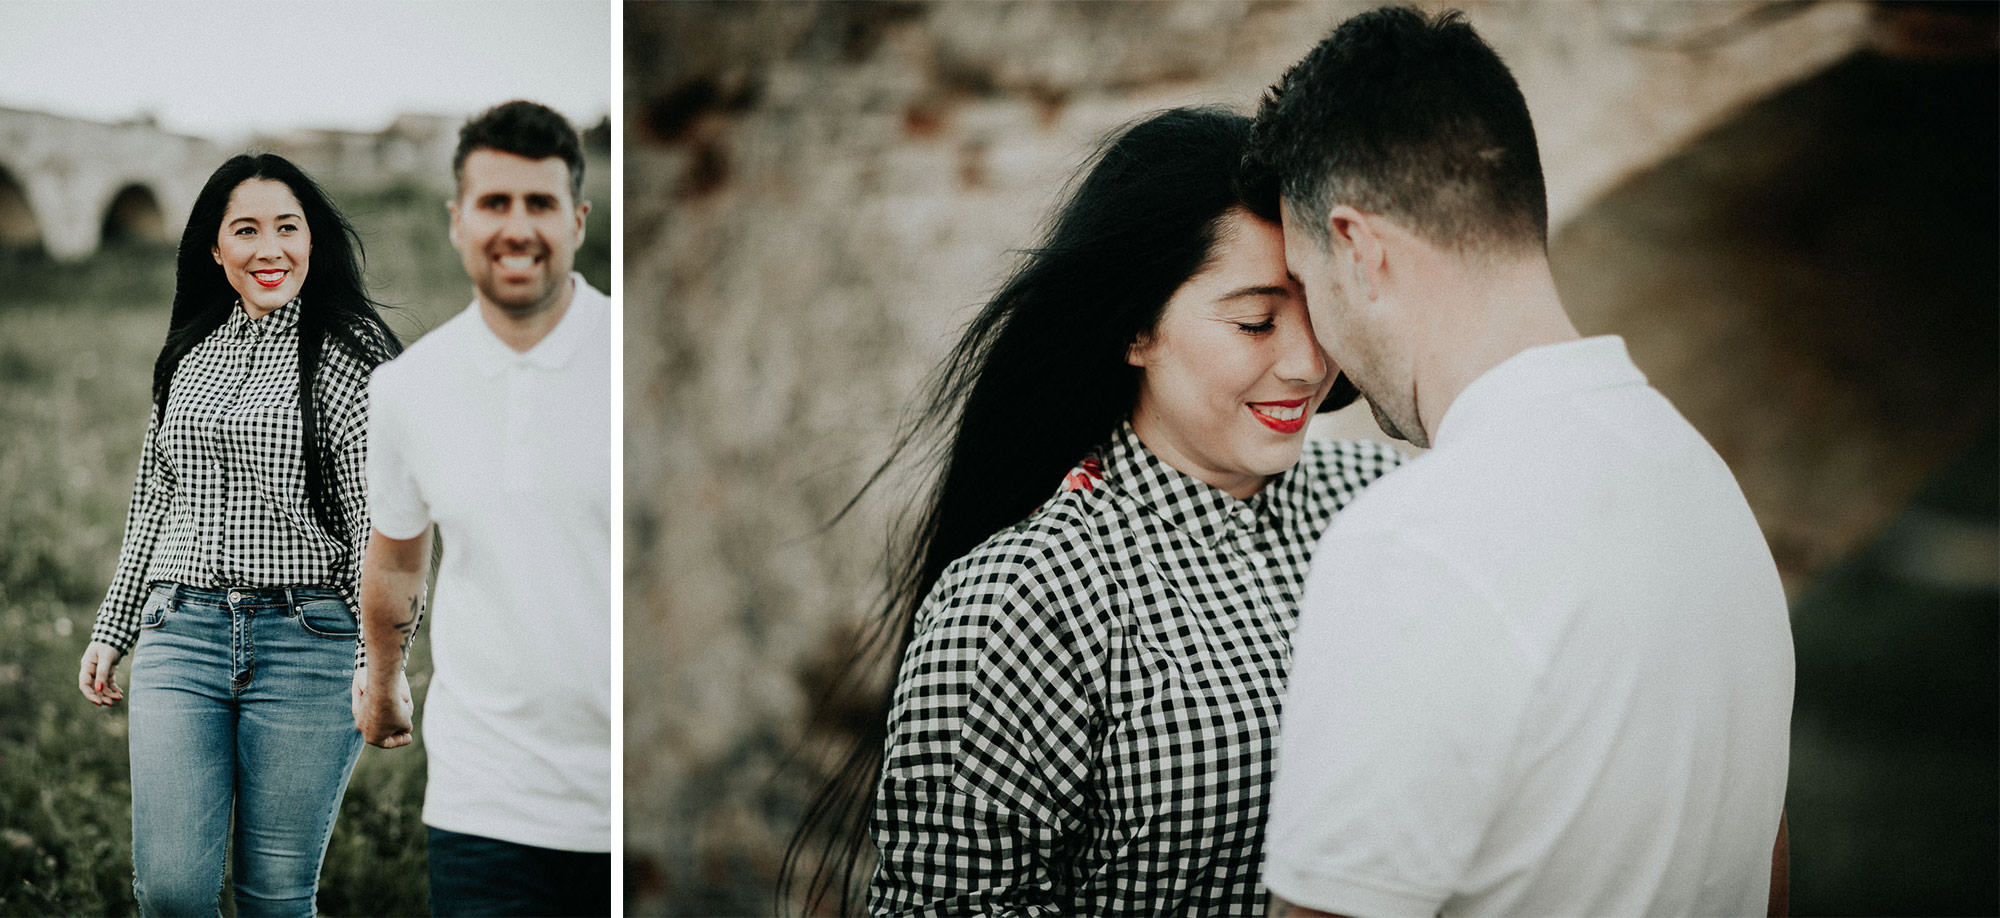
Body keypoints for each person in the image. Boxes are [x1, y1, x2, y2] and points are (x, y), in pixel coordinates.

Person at [781, 107, 1404, 916]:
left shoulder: (1384, 501)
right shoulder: (1023, 599)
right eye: (1255, 320)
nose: (1307, 362)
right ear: (1136, 328)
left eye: (1318, 309)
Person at [1242, 8, 1795, 916]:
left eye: (1305, 287)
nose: (1318, 347)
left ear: (1360, 250)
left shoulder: (1412, 544)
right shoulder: (1707, 491)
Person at [74, 153, 401, 916]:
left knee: (275, 897)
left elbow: (378, 528)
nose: (269, 249)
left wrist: (379, 663)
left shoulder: (354, 356)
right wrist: (114, 624)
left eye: (287, 228)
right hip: (178, 631)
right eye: (246, 230)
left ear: (312, 240)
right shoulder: (189, 351)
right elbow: (155, 495)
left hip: (308, 641)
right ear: (215, 250)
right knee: (173, 893)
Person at [351, 99, 610, 917]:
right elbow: (395, 557)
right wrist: (386, 681)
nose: (517, 226)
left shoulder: (644, 365)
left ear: (578, 217)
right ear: (457, 220)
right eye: (495, 203)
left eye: (539, 203)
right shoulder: (405, 391)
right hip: (484, 797)